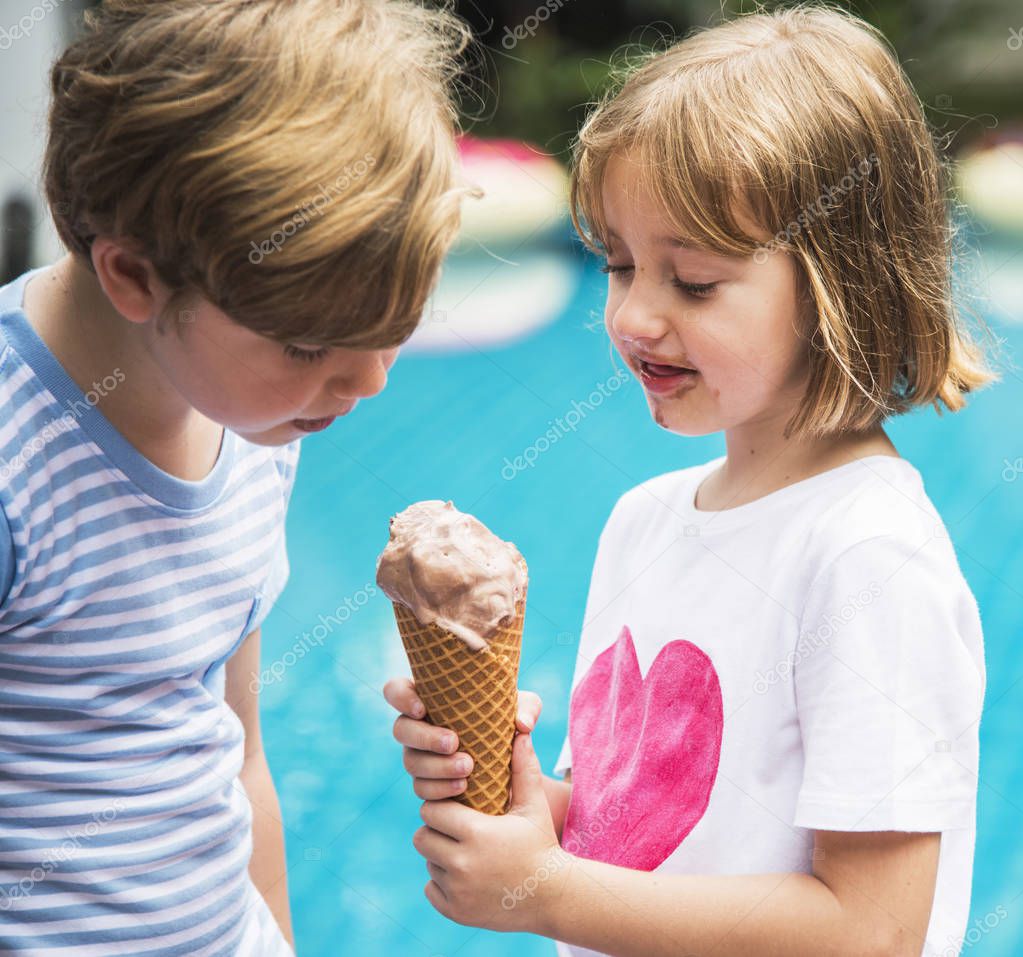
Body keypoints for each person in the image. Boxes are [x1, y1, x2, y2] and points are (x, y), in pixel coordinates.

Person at [384, 5, 998, 956]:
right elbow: (639, 833)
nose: (632, 314)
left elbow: (871, 931)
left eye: (694, 282)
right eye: (619, 265)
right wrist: (513, 801)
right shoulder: (644, 520)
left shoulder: (867, 554)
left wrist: (546, 892)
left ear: (847, 282)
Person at [0, 0, 469, 952]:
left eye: (389, 340)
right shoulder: (16, 465)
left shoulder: (256, 419)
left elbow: (237, 752)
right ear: (133, 274)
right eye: (308, 344)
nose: (366, 384)